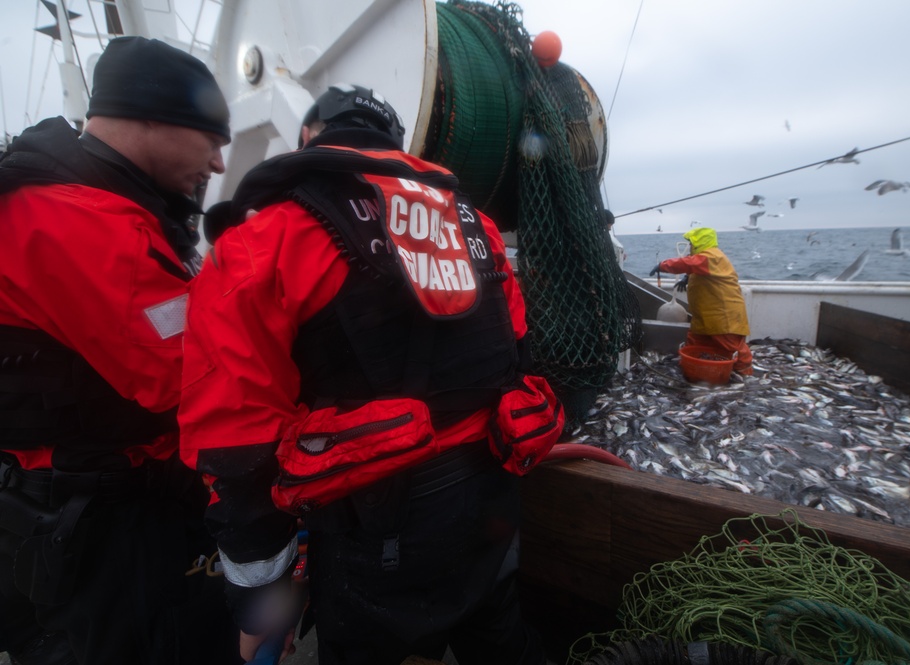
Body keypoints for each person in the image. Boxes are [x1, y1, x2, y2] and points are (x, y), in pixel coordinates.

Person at [179, 83, 563, 665]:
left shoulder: (265, 240)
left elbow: (235, 437)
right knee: (500, 633)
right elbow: (517, 353)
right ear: (393, 146)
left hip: (377, 527)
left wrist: (262, 600)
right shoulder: (477, 227)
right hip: (493, 495)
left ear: (311, 137)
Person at [0, 36, 241, 665]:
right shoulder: (89, 227)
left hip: (43, 502)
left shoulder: (59, 196)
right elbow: (193, 383)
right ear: (152, 116)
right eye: (211, 139)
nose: (219, 165)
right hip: (106, 523)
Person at [650, 226, 754, 375]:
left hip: (723, 316)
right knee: (696, 345)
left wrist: (662, 266)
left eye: (692, 243)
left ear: (700, 242)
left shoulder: (712, 256)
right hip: (706, 316)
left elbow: (688, 263)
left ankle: (745, 376)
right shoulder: (706, 258)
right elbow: (696, 268)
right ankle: (698, 371)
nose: (690, 246)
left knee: (732, 346)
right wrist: (687, 277)